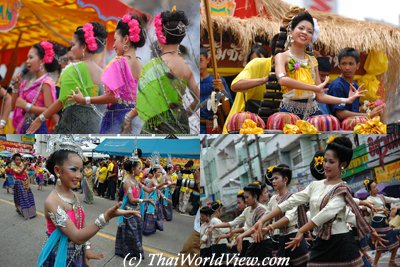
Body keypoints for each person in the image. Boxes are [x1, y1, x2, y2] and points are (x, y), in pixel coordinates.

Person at [252, 136, 385, 267]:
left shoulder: (343, 188)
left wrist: (301, 230)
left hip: (340, 240)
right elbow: (291, 201)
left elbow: (327, 213)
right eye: (325, 161)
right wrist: (262, 220)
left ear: (342, 165)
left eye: (331, 162)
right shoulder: (315, 185)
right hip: (320, 239)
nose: (326, 165)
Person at [37, 139, 140, 266]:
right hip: (59, 256)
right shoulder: (52, 202)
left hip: (77, 253)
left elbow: (81, 224)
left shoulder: (73, 194)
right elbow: (76, 236)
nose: (79, 175)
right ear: (58, 170)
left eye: (81, 170)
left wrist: (87, 248)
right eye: (74, 169)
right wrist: (106, 217)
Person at [275, 9, 364, 119]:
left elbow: (320, 96)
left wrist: (346, 100)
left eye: (309, 31)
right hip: (288, 112)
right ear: (291, 31)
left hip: (312, 111)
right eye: (301, 28)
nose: (304, 32)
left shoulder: (313, 61)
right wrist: (314, 88)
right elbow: (283, 80)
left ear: (312, 37)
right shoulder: (281, 56)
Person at [124, 8, 200, 134]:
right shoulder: (186, 68)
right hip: (181, 122)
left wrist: (129, 116)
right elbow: (197, 97)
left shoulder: (153, 65)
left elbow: (146, 99)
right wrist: (185, 113)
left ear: (161, 37)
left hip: (158, 124)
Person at [28, 22, 107, 134]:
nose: (72, 49)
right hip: (94, 128)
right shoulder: (103, 73)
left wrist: (40, 118)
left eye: (73, 45)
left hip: (71, 125)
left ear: (84, 47)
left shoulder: (72, 69)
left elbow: (62, 100)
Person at [71, 14, 146, 134]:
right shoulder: (141, 64)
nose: (114, 45)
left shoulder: (119, 63)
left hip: (116, 117)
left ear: (126, 39)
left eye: (115, 39)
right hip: (134, 118)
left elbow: (112, 97)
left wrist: (84, 100)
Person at [222, 34, 278, 133]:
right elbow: (235, 85)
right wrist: (264, 79)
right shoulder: (257, 64)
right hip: (239, 126)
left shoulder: (294, 69)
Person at [11, 41, 58, 133]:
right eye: (27, 58)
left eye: (31, 57)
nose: (27, 61)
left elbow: (50, 111)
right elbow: (13, 106)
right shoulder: (27, 82)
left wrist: (26, 106)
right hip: (21, 129)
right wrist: (16, 88)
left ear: (42, 61)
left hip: (37, 130)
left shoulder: (46, 83)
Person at [327, 47, 385, 121]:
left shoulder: (355, 85)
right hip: (340, 129)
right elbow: (340, 114)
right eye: (344, 64)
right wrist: (368, 115)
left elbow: (353, 110)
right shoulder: (337, 86)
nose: (347, 67)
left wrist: (369, 107)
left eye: (351, 64)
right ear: (339, 65)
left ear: (357, 66)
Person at [115, 160, 155, 261]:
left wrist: (160, 186)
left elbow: (148, 190)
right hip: (129, 212)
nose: (141, 170)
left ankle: (135, 252)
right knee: (131, 233)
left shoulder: (137, 181)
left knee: (137, 232)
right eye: (139, 168)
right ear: (133, 169)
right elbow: (132, 199)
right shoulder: (127, 182)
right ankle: (127, 252)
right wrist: (146, 200)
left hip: (136, 211)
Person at [365, 179, 400, 267]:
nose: (376, 188)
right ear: (369, 190)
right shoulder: (369, 199)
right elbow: (369, 209)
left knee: (392, 242)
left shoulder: (381, 197)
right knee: (382, 244)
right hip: (377, 222)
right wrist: (381, 209)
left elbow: (393, 200)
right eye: (374, 187)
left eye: (376, 186)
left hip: (384, 222)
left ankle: (387, 262)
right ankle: (376, 264)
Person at [200, 46, 232, 134]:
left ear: (208, 60)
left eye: (200, 60)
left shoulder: (217, 80)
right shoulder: (191, 80)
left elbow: (227, 111)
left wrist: (222, 89)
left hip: (213, 127)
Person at [12, 153, 36, 219]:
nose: (18, 161)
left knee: (29, 197)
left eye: (19, 159)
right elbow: (19, 173)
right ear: (14, 161)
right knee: (23, 198)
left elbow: (26, 172)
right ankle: (26, 213)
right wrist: (25, 167)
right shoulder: (13, 167)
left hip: (25, 183)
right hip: (19, 183)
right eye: (17, 160)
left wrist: (28, 180)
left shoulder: (21, 165)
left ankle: (31, 213)